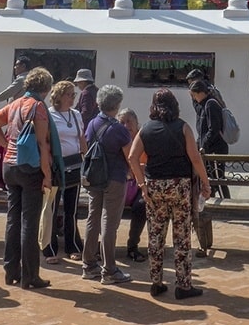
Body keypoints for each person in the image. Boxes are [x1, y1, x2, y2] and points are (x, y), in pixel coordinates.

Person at [129, 88, 212, 300]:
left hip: (154, 187)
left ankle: (156, 282)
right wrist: (205, 182)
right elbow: (195, 158)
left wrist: (142, 184)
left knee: (155, 235)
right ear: (174, 105)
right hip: (179, 186)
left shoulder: (145, 129)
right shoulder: (183, 127)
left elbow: (132, 157)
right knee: (182, 236)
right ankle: (183, 285)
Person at [0, 66, 63, 290]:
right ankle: (30, 276)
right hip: (30, 168)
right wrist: (47, 175)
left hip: (9, 167)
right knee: (29, 222)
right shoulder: (38, 107)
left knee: (13, 220)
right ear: (46, 88)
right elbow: (42, 144)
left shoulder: (16, 104)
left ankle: (11, 271)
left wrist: (7, 145)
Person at [80, 84, 133, 285]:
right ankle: (109, 269)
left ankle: (89, 265)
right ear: (117, 105)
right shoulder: (119, 129)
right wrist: (136, 175)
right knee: (109, 223)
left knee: (93, 219)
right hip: (115, 178)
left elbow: (85, 145)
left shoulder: (92, 123)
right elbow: (129, 156)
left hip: (95, 177)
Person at [45, 80, 86, 262]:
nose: (72, 98)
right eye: (69, 95)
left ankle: (73, 246)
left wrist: (86, 160)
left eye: (73, 94)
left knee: (72, 209)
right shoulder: (48, 115)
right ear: (59, 96)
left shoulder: (76, 115)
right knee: (52, 209)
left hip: (74, 166)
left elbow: (81, 139)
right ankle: (50, 248)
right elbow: (45, 141)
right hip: (55, 167)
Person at [189, 79, 229, 200]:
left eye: (194, 95)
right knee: (210, 179)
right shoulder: (203, 105)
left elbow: (214, 129)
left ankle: (226, 202)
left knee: (218, 179)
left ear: (200, 92)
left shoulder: (211, 104)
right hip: (208, 150)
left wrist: (204, 144)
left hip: (215, 149)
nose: (194, 98)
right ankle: (211, 202)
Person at [117, 108, 147, 263]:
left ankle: (132, 246)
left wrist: (137, 168)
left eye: (129, 121)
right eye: (122, 122)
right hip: (119, 185)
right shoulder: (115, 141)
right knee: (106, 205)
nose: (126, 125)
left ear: (136, 123)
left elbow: (148, 166)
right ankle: (103, 247)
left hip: (139, 185)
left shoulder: (144, 140)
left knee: (141, 206)